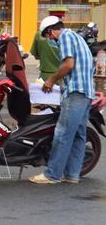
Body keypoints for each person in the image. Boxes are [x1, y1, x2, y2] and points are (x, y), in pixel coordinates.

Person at [29, 15, 94, 185]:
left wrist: (50, 80)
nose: (50, 40)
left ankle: (52, 174)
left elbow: (68, 65)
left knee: (63, 133)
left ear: (51, 31)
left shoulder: (64, 37)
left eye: (48, 36)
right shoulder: (77, 37)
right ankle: (72, 175)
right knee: (79, 135)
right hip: (86, 92)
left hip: (75, 92)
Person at [30, 7, 67, 81]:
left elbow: (36, 56)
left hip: (45, 76)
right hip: (62, 76)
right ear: (62, 18)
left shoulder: (39, 34)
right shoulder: (66, 35)